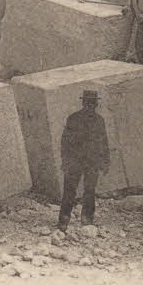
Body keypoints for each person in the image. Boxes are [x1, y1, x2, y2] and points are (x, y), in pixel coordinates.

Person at [57, 90, 110, 231]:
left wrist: (105, 161)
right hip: (74, 161)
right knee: (69, 191)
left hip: (92, 162)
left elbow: (104, 142)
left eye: (93, 103)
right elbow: (65, 142)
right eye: (87, 102)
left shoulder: (99, 121)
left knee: (90, 190)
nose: (90, 105)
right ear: (83, 103)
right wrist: (66, 161)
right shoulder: (73, 118)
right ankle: (63, 221)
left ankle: (87, 219)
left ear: (96, 104)